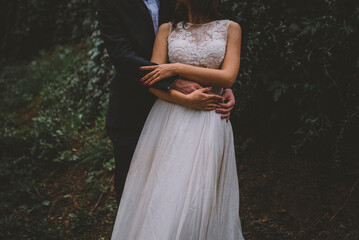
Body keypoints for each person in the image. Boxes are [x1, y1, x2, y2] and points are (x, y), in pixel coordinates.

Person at [109, 0, 245, 239]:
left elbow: (228, 76)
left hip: (209, 118)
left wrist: (178, 69)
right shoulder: (164, 27)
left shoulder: (230, 27)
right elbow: (135, 65)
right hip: (163, 113)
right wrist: (184, 97)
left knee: (202, 191)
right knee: (160, 187)